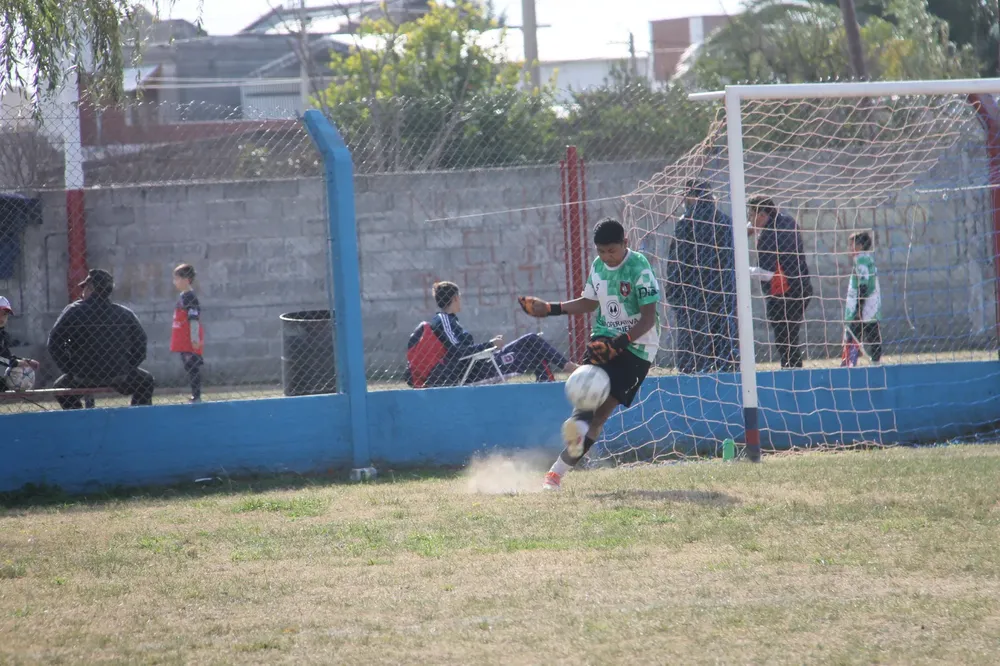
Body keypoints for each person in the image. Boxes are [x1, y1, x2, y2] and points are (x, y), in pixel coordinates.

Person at [519, 217, 661, 490]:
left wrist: (620, 343)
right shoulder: (598, 266)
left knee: (601, 413)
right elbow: (589, 302)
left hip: (638, 348)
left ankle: (561, 464)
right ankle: (555, 474)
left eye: (612, 251)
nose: (607, 257)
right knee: (586, 398)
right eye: (601, 251)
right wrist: (550, 308)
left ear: (625, 244)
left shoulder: (639, 267)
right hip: (604, 338)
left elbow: (648, 320)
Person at [406, 281, 578, 388]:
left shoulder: (450, 321)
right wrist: (490, 345)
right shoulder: (443, 320)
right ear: (455, 298)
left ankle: (559, 377)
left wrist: (490, 346)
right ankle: (565, 373)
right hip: (474, 372)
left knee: (531, 342)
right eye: (460, 297)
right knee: (535, 353)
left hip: (479, 364)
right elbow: (459, 351)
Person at [47, 269, 155, 409]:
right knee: (146, 381)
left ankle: (82, 419)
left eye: (84, 288)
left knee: (60, 390)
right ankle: (137, 419)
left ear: (91, 288)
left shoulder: (73, 311)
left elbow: (53, 343)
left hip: (82, 376)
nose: (82, 292)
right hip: (119, 374)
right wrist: (129, 365)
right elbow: (141, 343)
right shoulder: (124, 313)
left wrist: (69, 368)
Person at [665, 180, 738, 373]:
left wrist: (673, 292)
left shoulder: (686, 222)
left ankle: (692, 379)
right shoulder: (725, 221)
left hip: (693, 296)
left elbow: (677, 261)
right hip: (724, 295)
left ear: (692, 196)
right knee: (723, 347)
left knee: (693, 350)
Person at [747, 195, 814, 369]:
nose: (749, 219)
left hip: (784, 293)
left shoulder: (768, 236)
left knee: (784, 340)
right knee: (791, 337)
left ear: (761, 215)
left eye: (750, 214)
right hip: (803, 287)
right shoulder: (787, 221)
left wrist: (743, 271)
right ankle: (793, 371)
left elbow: (768, 274)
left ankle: (791, 374)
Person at [842, 231, 882, 366]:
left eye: (851, 245)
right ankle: (875, 362)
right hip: (871, 305)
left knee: (852, 335)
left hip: (864, 306)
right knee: (872, 333)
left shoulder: (861, 260)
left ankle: (848, 364)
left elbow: (863, 285)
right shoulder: (867, 259)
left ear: (859, 246)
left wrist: (858, 309)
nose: (849, 248)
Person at [170, 264, 204, 402]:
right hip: (183, 339)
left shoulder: (190, 297)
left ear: (186, 280)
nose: (175, 282)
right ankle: (195, 394)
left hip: (190, 340)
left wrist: (194, 338)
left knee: (193, 367)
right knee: (189, 366)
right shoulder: (183, 296)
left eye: (177, 279)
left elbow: (193, 318)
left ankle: (196, 395)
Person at [0, 296, 40, 390]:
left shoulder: (2, 334)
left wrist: (26, 361)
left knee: (2, 385)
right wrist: (16, 363)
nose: (1, 317)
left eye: (5, 314)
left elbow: (5, 355)